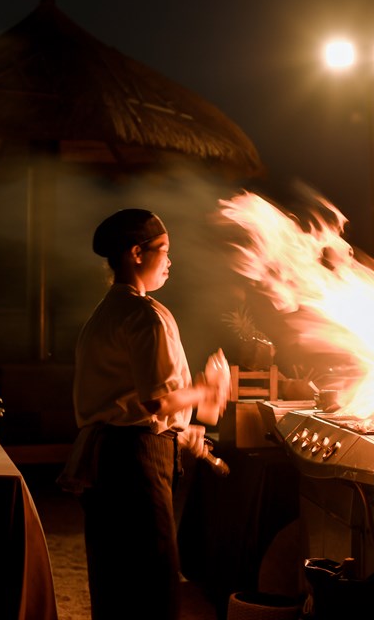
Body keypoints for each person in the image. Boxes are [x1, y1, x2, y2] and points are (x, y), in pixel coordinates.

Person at [58, 208, 230, 620]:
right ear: (137, 253)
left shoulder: (104, 315)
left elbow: (128, 402)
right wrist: (209, 388)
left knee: (115, 576)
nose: (170, 261)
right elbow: (157, 400)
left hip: (107, 457)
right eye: (164, 250)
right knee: (151, 578)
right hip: (133, 462)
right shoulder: (144, 315)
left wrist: (181, 430)